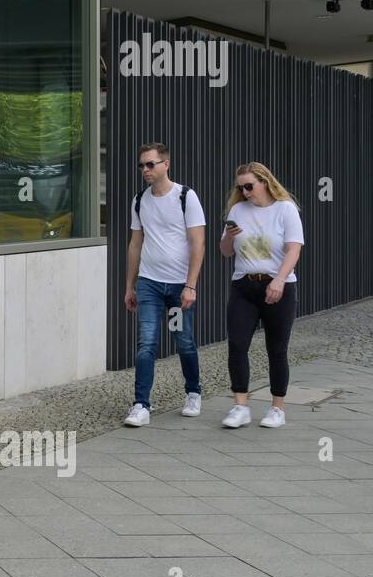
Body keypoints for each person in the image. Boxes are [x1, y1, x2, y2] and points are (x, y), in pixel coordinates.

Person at [123, 142, 206, 426]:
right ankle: (141, 405)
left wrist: (191, 285)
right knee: (146, 343)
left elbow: (198, 243)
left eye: (150, 164)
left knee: (183, 341)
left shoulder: (185, 196)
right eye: (142, 165)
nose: (145, 170)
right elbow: (135, 244)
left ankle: (193, 392)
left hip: (178, 286)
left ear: (165, 165)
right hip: (150, 284)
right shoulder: (139, 200)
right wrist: (129, 286)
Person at [219, 162, 304, 429]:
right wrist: (229, 237)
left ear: (264, 182)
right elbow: (225, 252)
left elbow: (293, 249)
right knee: (237, 345)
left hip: (279, 286)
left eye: (249, 186)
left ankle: (277, 408)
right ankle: (240, 405)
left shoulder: (285, 209)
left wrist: (279, 280)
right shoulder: (237, 210)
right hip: (244, 286)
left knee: (276, 349)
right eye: (240, 187)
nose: (244, 192)